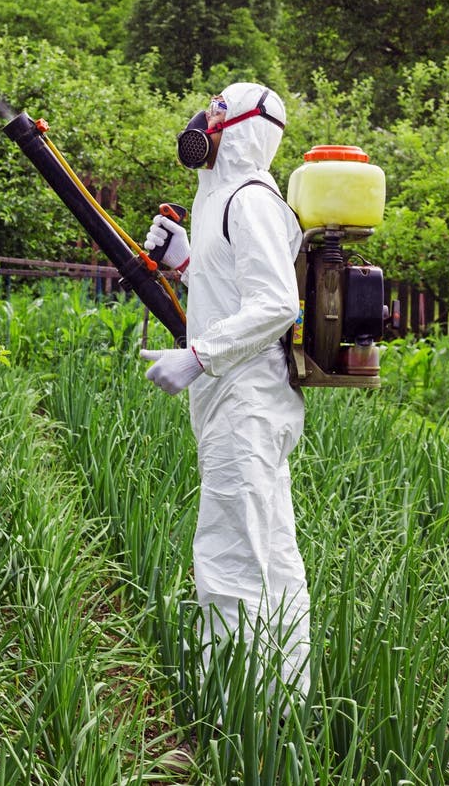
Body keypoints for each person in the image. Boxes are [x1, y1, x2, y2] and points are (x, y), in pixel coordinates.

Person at [140, 82, 310, 703]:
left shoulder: (251, 199)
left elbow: (273, 305)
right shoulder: (218, 198)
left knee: (231, 557)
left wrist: (198, 356)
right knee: (271, 555)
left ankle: (230, 715)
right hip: (233, 400)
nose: (203, 115)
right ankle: (281, 706)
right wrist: (186, 265)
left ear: (238, 126)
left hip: (248, 404)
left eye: (215, 106)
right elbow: (232, 291)